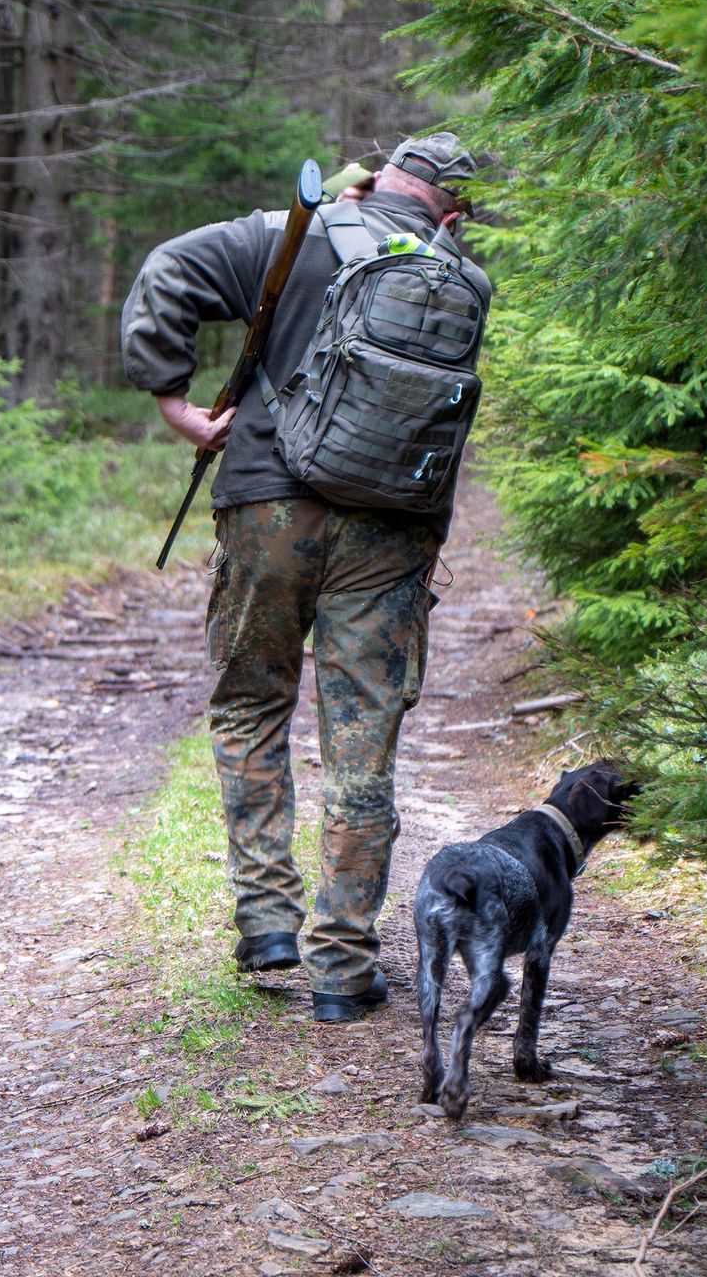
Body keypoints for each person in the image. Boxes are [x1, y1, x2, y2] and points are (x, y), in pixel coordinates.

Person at [120, 134, 492, 1022]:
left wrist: (174, 400)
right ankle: (343, 966)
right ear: (453, 208)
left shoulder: (289, 232)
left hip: (265, 508)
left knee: (252, 705)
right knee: (363, 738)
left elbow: (167, 272)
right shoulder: (459, 277)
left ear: (380, 175)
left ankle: (267, 922)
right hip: (392, 532)